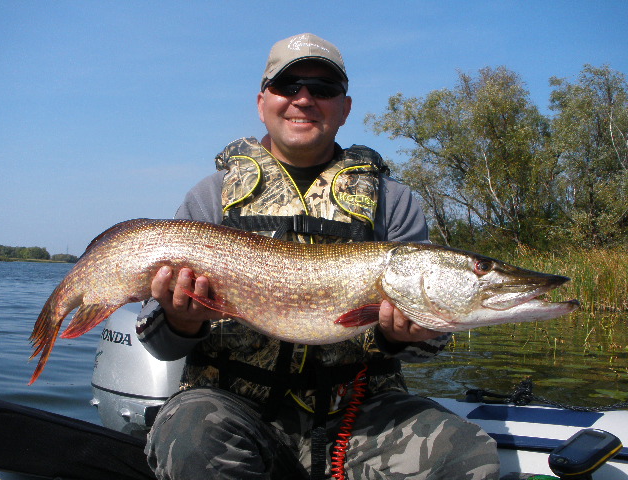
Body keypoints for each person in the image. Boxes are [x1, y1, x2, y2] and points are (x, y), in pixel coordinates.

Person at [137, 33, 499, 480]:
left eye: (323, 89)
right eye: (287, 86)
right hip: (233, 407)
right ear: (262, 103)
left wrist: (402, 337)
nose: (304, 99)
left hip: (362, 415)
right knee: (191, 437)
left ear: (344, 108)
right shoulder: (211, 197)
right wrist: (182, 321)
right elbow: (160, 345)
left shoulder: (393, 201)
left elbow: (426, 352)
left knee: (464, 454)